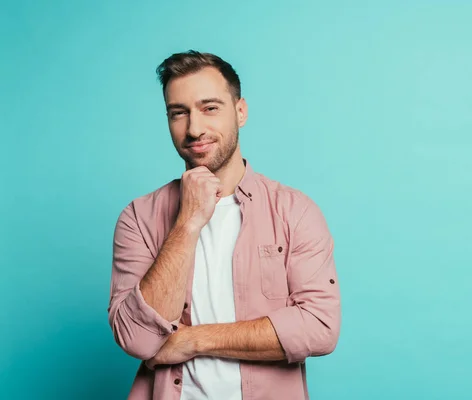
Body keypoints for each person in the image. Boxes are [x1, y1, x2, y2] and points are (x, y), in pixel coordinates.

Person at [107, 50, 341, 400]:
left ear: (240, 111)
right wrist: (188, 222)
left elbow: (320, 327)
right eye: (178, 113)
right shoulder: (139, 217)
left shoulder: (295, 211)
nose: (194, 128)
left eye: (209, 108)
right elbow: (138, 338)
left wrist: (193, 340)